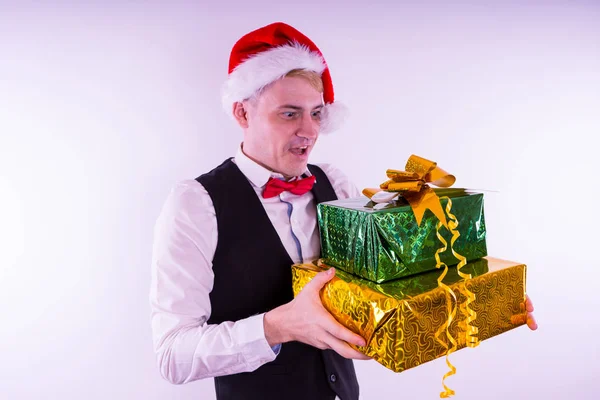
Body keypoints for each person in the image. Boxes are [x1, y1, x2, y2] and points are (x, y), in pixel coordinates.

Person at [149, 22, 537, 400]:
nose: (310, 130)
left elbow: (381, 290)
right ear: (242, 113)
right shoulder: (196, 204)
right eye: (289, 113)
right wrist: (277, 326)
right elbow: (172, 355)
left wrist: (486, 302)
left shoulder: (335, 184)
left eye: (316, 113)